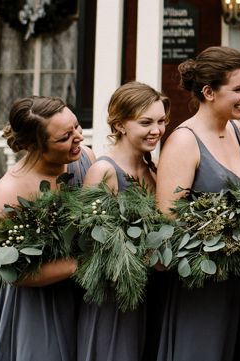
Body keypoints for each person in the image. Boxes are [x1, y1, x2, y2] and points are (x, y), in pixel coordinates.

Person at [156, 47, 240, 361]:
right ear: (209, 92)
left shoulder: (237, 131)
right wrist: (222, 238)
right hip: (200, 286)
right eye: (238, 89)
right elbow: (168, 224)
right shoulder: (183, 141)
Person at [0, 95, 93, 361]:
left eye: (77, 127)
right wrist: (79, 264)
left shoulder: (86, 159)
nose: (78, 137)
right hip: (42, 309)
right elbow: (8, 269)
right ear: (35, 146)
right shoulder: (10, 190)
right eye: (64, 137)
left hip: (91, 300)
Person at [78, 83, 165, 361]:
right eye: (146, 122)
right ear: (120, 125)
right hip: (117, 301)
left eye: (162, 121)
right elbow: (92, 248)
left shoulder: (154, 168)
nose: (157, 130)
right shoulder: (103, 171)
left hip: (156, 292)